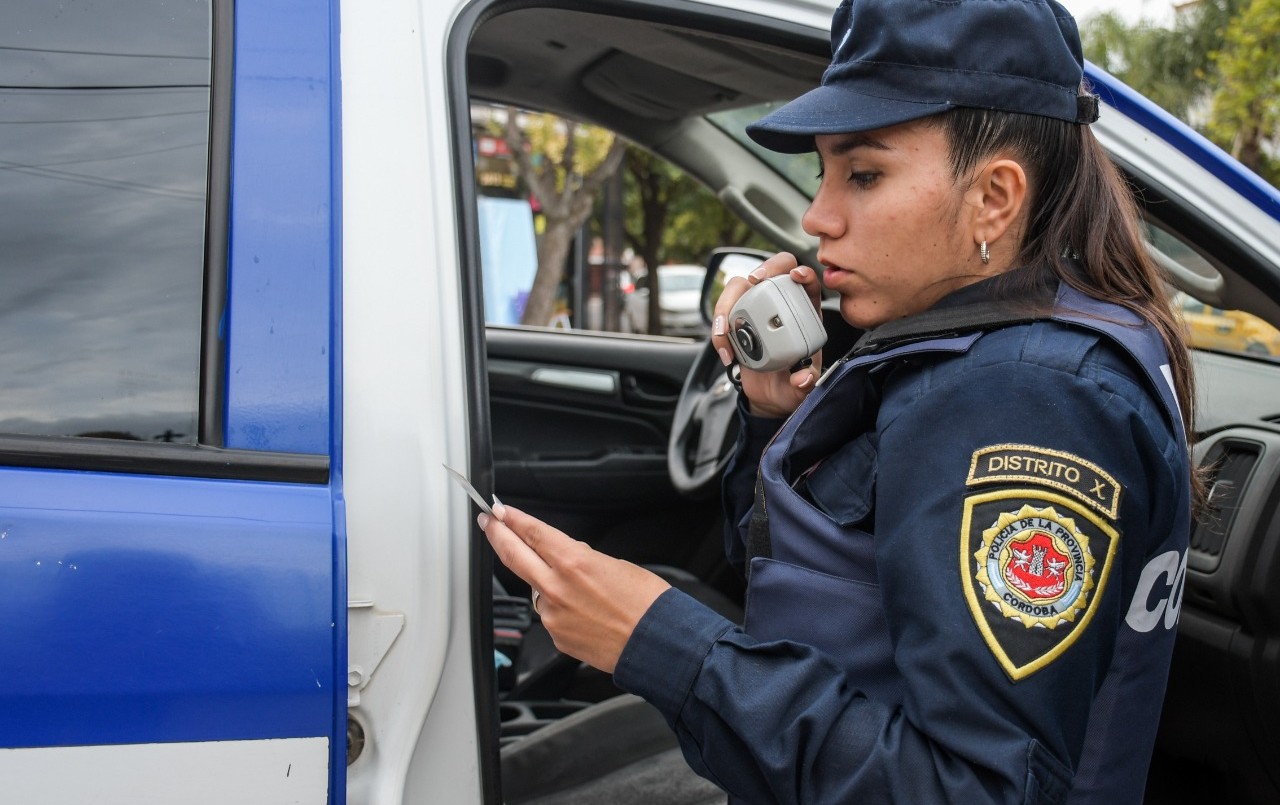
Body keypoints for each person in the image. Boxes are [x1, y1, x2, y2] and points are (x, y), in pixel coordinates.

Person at [479, 0, 1198, 801]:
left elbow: (975, 788)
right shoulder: (967, 350)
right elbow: (821, 594)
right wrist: (770, 414)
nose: (818, 215)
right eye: (823, 173)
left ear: (995, 197)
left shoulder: (1026, 400)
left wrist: (661, 642)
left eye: (863, 173)